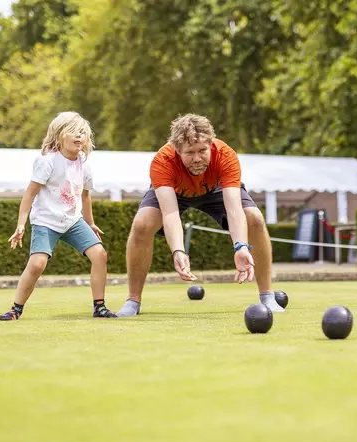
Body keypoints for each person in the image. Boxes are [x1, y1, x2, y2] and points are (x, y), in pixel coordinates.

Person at [116, 113, 285, 316]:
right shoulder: (163, 161)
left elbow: (233, 208)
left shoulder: (225, 155)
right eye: (189, 152)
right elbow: (170, 213)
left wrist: (240, 245)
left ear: (211, 144)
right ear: (177, 150)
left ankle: (267, 295)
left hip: (216, 189)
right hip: (175, 192)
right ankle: (133, 301)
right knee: (142, 224)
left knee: (254, 218)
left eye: (202, 151)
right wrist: (178, 251)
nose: (197, 158)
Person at [0, 112, 117, 320]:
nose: (79, 136)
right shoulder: (47, 162)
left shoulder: (85, 166)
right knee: (37, 264)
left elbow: (86, 195)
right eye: (73, 131)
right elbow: (30, 194)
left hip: (72, 221)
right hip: (45, 222)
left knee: (100, 255)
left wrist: (90, 223)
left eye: (82, 132)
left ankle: (99, 307)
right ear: (59, 135)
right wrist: (21, 225)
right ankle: (15, 309)